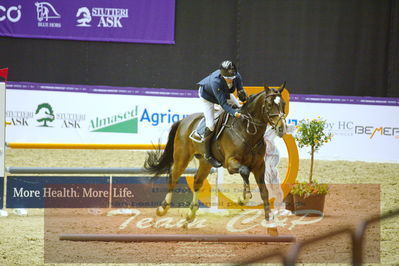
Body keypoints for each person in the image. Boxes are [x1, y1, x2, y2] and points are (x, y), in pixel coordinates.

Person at [197, 60, 248, 167]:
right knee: (210, 125)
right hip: (208, 97)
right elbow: (224, 104)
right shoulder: (216, 82)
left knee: (239, 106)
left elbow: (240, 90)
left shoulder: (236, 76)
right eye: (228, 79)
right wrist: (235, 114)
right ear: (222, 75)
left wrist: (243, 96)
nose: (230, 81)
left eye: (232, 78)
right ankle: (208, 155)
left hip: (223, 93)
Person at [264, 125, 295, 217]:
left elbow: (286, 129)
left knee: (275, 184)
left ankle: (280, 208)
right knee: (268, 185)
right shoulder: (258, 127)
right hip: (264, 158)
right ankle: (276, 208)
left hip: (272, 155)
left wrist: (290, 128)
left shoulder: (272, 127)